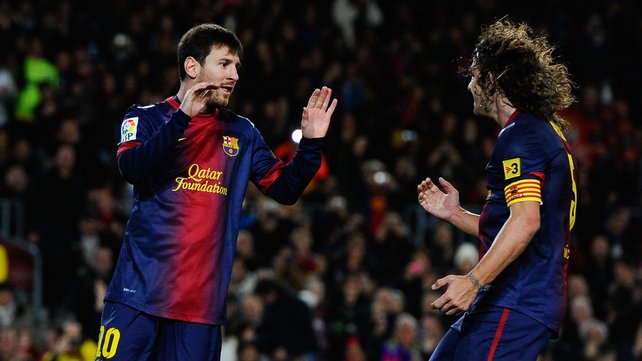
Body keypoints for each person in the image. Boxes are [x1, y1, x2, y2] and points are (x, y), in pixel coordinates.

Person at [95, 23, 337, 361]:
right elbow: (132, 168)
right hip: (137, 294)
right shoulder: (145, 118)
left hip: (199, 308)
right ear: (192, 66)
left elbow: (285, 190)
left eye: (237, 66)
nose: (235, 74)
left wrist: (311, 145)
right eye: (224, 64)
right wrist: (182, 119)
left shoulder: (241, 132)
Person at [416, 19, 577, 360]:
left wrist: (472, 282)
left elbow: (526, 222)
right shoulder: (538, 131)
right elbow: (521, 224)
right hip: (506, 296)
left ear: (492, 81)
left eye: (474, 76)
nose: (470, 85)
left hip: (517, 298)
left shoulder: (522, 134)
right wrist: (456, 215)